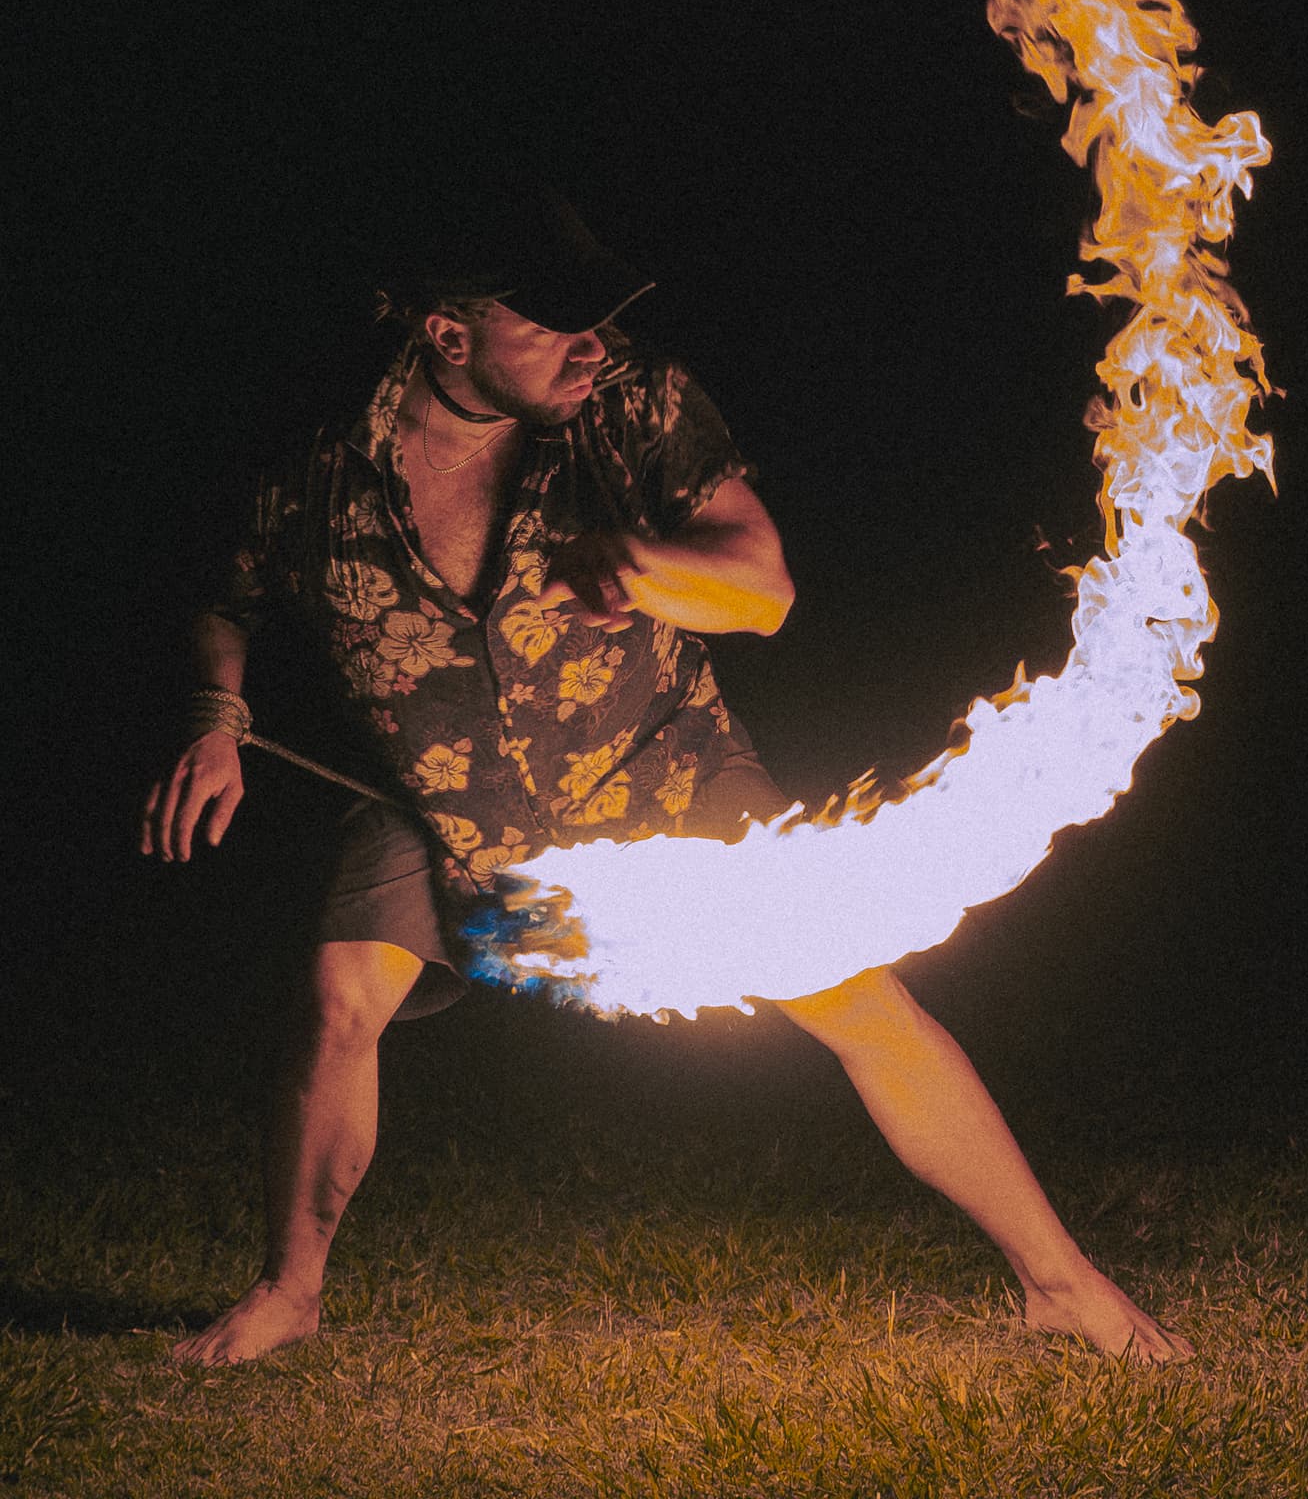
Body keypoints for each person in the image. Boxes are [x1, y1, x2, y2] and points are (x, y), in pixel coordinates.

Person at [141, 174, 1191, 1367]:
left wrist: (632, 562)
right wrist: (218, 714)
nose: (591, 345)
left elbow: (761, 584)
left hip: (655, 763)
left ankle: (1060, 1282)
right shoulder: (315, 458)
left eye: (598, 316)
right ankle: (290, 1294)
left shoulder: (633, 403)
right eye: (551, 325)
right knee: (339, 1003)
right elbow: (225, 595)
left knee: (861, 1002)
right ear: (448, 334)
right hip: (439, 796)